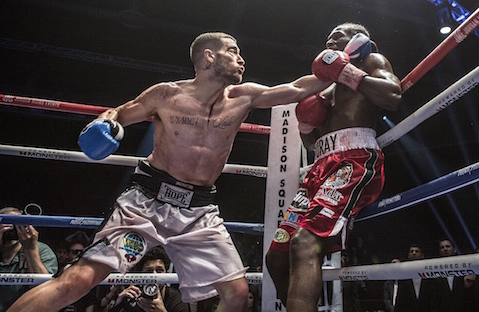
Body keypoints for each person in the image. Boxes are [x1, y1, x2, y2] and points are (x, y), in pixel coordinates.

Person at [7, 32, 332, 312]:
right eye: (233, 51)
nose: (240, 59)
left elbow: (297, 88)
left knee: (237, 295)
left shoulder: (244, 97)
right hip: (147, 203)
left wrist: (341, 64)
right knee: (78, 281)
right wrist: (105, 121)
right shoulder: (166, 95)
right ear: (209, 57)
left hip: (198, 211)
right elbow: (120, 113)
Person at [265, 22, 402, 311]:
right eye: (327, 38)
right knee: (276, 254)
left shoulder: (370, 62)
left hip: (353, 161)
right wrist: (304, 124)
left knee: (305, 243)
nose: (330, 41)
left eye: (337, 36)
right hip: (319, 169)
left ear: (358, 40)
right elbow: (312, 145)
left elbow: (392, 95)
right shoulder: (324, 85)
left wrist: (347, 71)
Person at [0, 206, 59, 311]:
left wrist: (30, 249)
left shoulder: (41, 250)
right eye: (6, 223)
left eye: (16, 224)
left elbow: (45, 292)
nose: (11, 229)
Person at [104, 246, 189, 312]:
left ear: (167, 273)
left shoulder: (178, 300)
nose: (154, 276)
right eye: (149, 271)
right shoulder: (132, 296)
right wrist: (118, 303)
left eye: (159, 271)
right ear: (141, 274)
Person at [383, 244, 438, 312]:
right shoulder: (404, 276)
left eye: (416, 251)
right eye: (411, 251)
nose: (414, 253)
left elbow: (434, 300)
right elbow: (400, 300)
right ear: (408, 255)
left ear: (422, 255)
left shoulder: (429, 275)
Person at [435, 239, 478, 312]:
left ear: (454, 250)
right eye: (442, 247)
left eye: (447, 246)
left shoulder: (464, 269)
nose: (445, 249)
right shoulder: (435, 272)